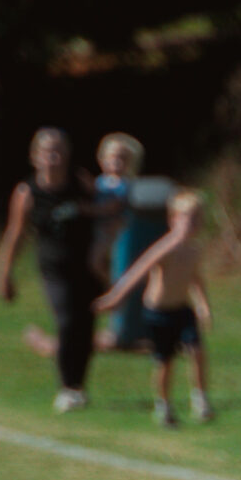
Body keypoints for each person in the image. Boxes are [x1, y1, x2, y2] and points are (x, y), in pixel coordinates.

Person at [0, 127, 113, 412]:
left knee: (85, 326)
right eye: (48, 152)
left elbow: (105, 212)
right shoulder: (27, 192)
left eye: (59, 151)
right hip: (54, 268)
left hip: (87, 265)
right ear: (35, 157)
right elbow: (15, 234)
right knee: (67, 320)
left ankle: (78, 387)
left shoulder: (80, 181)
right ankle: (67, 387)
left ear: (67, 155)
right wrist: (4, 273)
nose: (54, 157)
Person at [95, 189, 215, 428]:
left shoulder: (194, 249)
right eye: (187, 218)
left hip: (182, 308)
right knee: (165, 362)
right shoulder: (165, 248)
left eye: (197, 218)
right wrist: (116, 297)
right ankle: (164, 405)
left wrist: (202, 305)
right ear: (173, 220)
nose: (192, 223)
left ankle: (200, 400)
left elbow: (195, 278)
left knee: (197, 350)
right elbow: (138, 270)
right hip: (159, 312)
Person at [97, 133, 174, 352]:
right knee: (111, 274)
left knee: (124, 278)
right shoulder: (100, 185)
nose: (117, 163)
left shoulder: (130, 188)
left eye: (123, 159)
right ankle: (119, 323)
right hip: (107, 237)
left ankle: (126, 329)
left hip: (119, 238)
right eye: (113, 157)